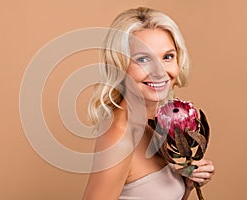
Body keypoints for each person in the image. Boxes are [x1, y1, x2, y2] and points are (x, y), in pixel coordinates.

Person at [83, 7, 214, 200]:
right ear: (119, 65)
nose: (159, 71)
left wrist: (186, 185)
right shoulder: (120, 138)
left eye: (167, 57)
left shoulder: (160, 120)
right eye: (143, 59)